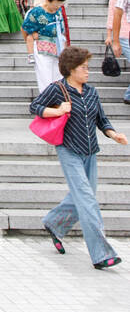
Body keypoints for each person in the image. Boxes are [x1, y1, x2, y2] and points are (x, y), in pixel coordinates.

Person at [30, 45, 127, 268]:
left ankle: (54, 223)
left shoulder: (92, 92)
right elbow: (34, 106)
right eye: (83, 67)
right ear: (71, 69)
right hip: (68, 149)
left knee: (82, 196)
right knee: (87, 200)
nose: (87, 71)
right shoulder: (57, 89)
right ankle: (102, 254)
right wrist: (57, 110)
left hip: (90, 151)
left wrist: (114, 135)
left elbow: (101, 120)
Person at [23, 0, 69, 90]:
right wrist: (31, 41)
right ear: (48, 0)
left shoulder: (58, 11)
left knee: (58, 79)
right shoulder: (37, 12)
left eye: (60, 3)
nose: (58, 6)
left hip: (58, 48)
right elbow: (25, 28)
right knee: (45, 80)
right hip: (43, 49)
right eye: (56, 3)